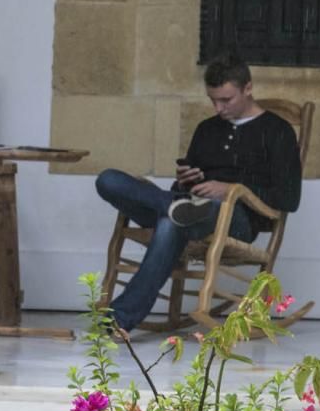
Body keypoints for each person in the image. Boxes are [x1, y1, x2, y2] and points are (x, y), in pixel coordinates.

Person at [95, 51, 302, 334]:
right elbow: (185, 186)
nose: (218, 108)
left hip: (236, 218)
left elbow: (288, 199)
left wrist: (230, 190)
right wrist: (185, 181)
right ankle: (174, 208)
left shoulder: (278, 132)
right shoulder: (207, 129)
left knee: (176, 218)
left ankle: (118, 319)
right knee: (109, 180)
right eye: (213, 100)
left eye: (226, 100)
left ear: (248, 88)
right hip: (190, 205)